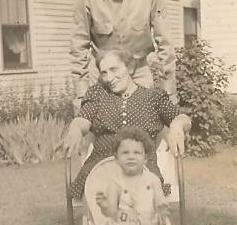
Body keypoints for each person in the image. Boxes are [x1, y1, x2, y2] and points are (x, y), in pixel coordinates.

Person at [63, 49, 191, 199]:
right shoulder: (98, 94)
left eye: (113, 69)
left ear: (129, 68)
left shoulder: (152, 97)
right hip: (101, 165)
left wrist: (176, 126)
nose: (109, 78)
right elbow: (82, 120)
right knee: (102, 197)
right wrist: (75, 129)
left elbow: (182, 118)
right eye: (104, 73)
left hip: (141, 165)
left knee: (142, 198)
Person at [70, 0, 176, 111]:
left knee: (144, 129)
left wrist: (169, 91)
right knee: (98, 130)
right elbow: (78, 46)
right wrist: (81, 94)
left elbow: (165, 43)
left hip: (138, 72)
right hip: (103, 75)